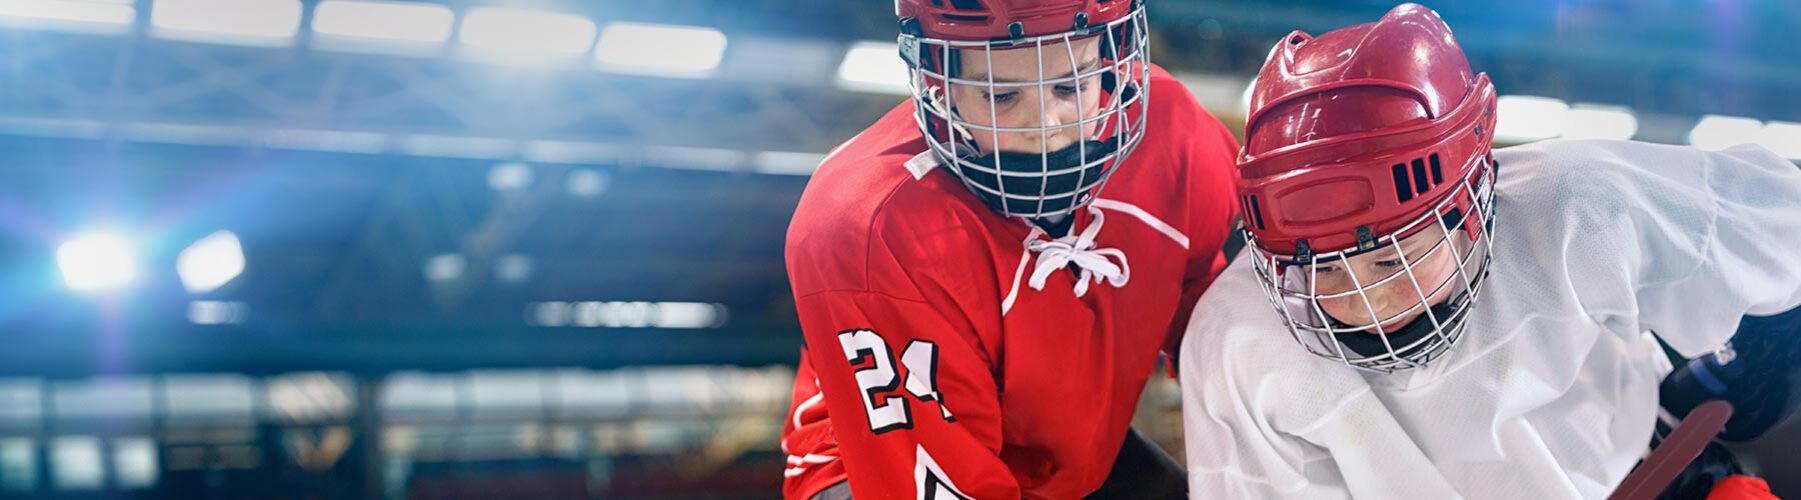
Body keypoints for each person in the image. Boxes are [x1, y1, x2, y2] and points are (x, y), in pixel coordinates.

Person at [1177, 3, 1801, 498]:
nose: (1360, 301)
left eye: (1391, 259)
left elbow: (1783, 224)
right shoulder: (1238, 342)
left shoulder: (1577, 203)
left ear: (1472, 202)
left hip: (1662, 476)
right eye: (1319, 267)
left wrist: (1766, 352)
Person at [778, 0, 1242, 498]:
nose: (1046, 129)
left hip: (1062, 451)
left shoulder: (1176, 138)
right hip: (882, 461)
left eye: (1071, 86)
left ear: (1112, 57)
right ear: (941, 81)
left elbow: (1225, 335)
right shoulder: (870, 223)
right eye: (1001, 96)